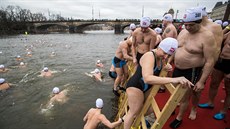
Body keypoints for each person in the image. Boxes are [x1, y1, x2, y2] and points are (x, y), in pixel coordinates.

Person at [124, 38, 194, 129]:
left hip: (145, 88)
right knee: (133, 112)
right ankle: (126, 122)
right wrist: (173, 80)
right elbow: (147, 78)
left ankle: (125, 119)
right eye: (165, 53)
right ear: (159, 47)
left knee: (149, 110)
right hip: (135, 86)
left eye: (169, 55)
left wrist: (167, 66)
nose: (166, 57)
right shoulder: (150, 55)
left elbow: (162, 67)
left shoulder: (161, 58)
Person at [169, 8, 216, 128]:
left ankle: (183, 115)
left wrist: (201, 81)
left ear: (199, 22)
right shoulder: (184, 31)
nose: (188, 27)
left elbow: (210, 61)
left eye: (191, 25)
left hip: (192, 70)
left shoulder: (207, 36)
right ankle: (177, 106)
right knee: (174, 90)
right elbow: (176, 48)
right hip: (178, 68)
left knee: (189, 94)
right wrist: (169, 61)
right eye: (186, 25)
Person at [198, 26, 230, 120]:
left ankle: (223, 111)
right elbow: (218, 38)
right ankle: (210, 102)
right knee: (214, 83)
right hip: (221, 61)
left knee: (229, 90)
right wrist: (227, 28)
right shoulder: (228, 34)